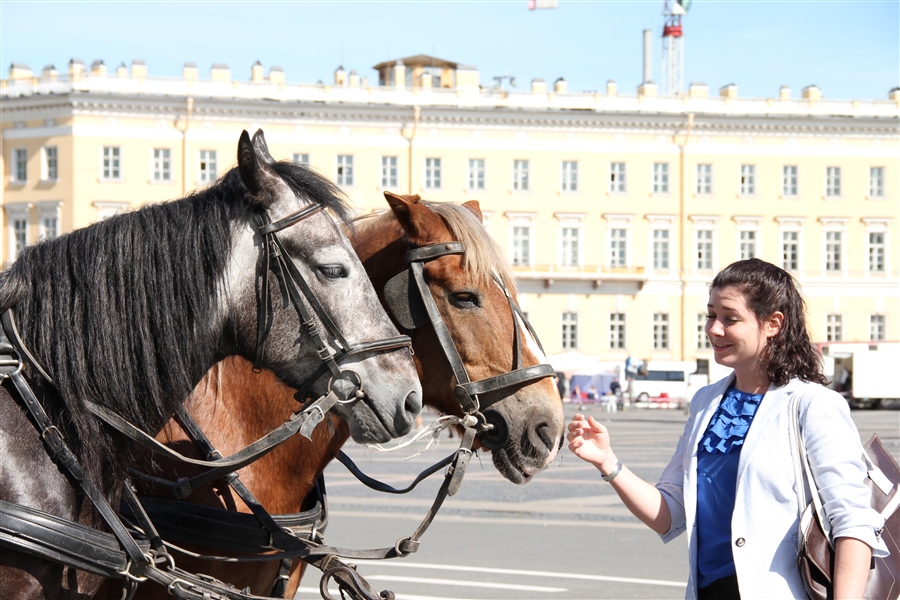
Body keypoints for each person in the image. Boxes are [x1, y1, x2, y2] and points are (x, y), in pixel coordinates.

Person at [567, 259, 888, 599]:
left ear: (773, 324)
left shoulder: (811, 404)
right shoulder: (706, 402)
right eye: (711, 315)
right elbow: (669, 515)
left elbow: (852, 522)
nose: (714, 329)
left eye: (730, 318)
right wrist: (608, 463)